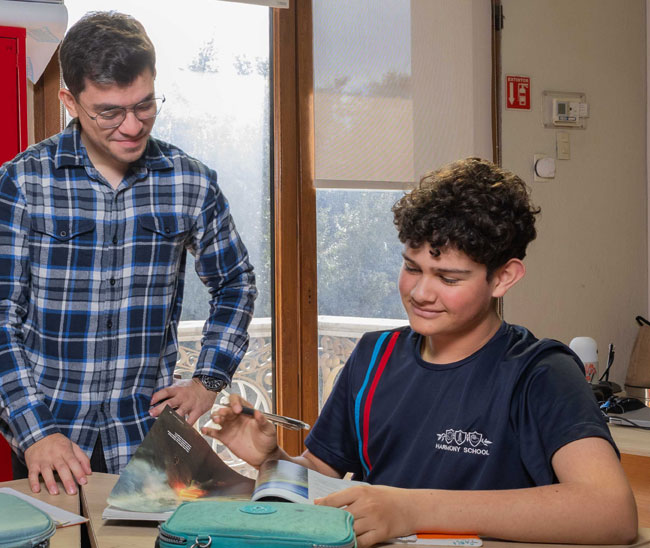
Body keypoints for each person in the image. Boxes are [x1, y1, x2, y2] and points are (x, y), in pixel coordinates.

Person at [204, 158, 638, 547]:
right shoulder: (374, 355)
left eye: (449, 278)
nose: (421, 293)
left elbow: (611, 512)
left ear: (504, 278)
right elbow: (322, 477)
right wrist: (273, 461)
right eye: (412, 268)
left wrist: (411, 510)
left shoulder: (540, 373)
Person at [0, 11, 257, 497]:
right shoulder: (21, 183)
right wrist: (35, 432)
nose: (131, 125)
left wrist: (208, 379)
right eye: (109, 111)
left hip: (145, 438)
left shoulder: (190, 182)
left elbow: (236, 283)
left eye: (144, 105)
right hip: (49, 436)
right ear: (70, 101)